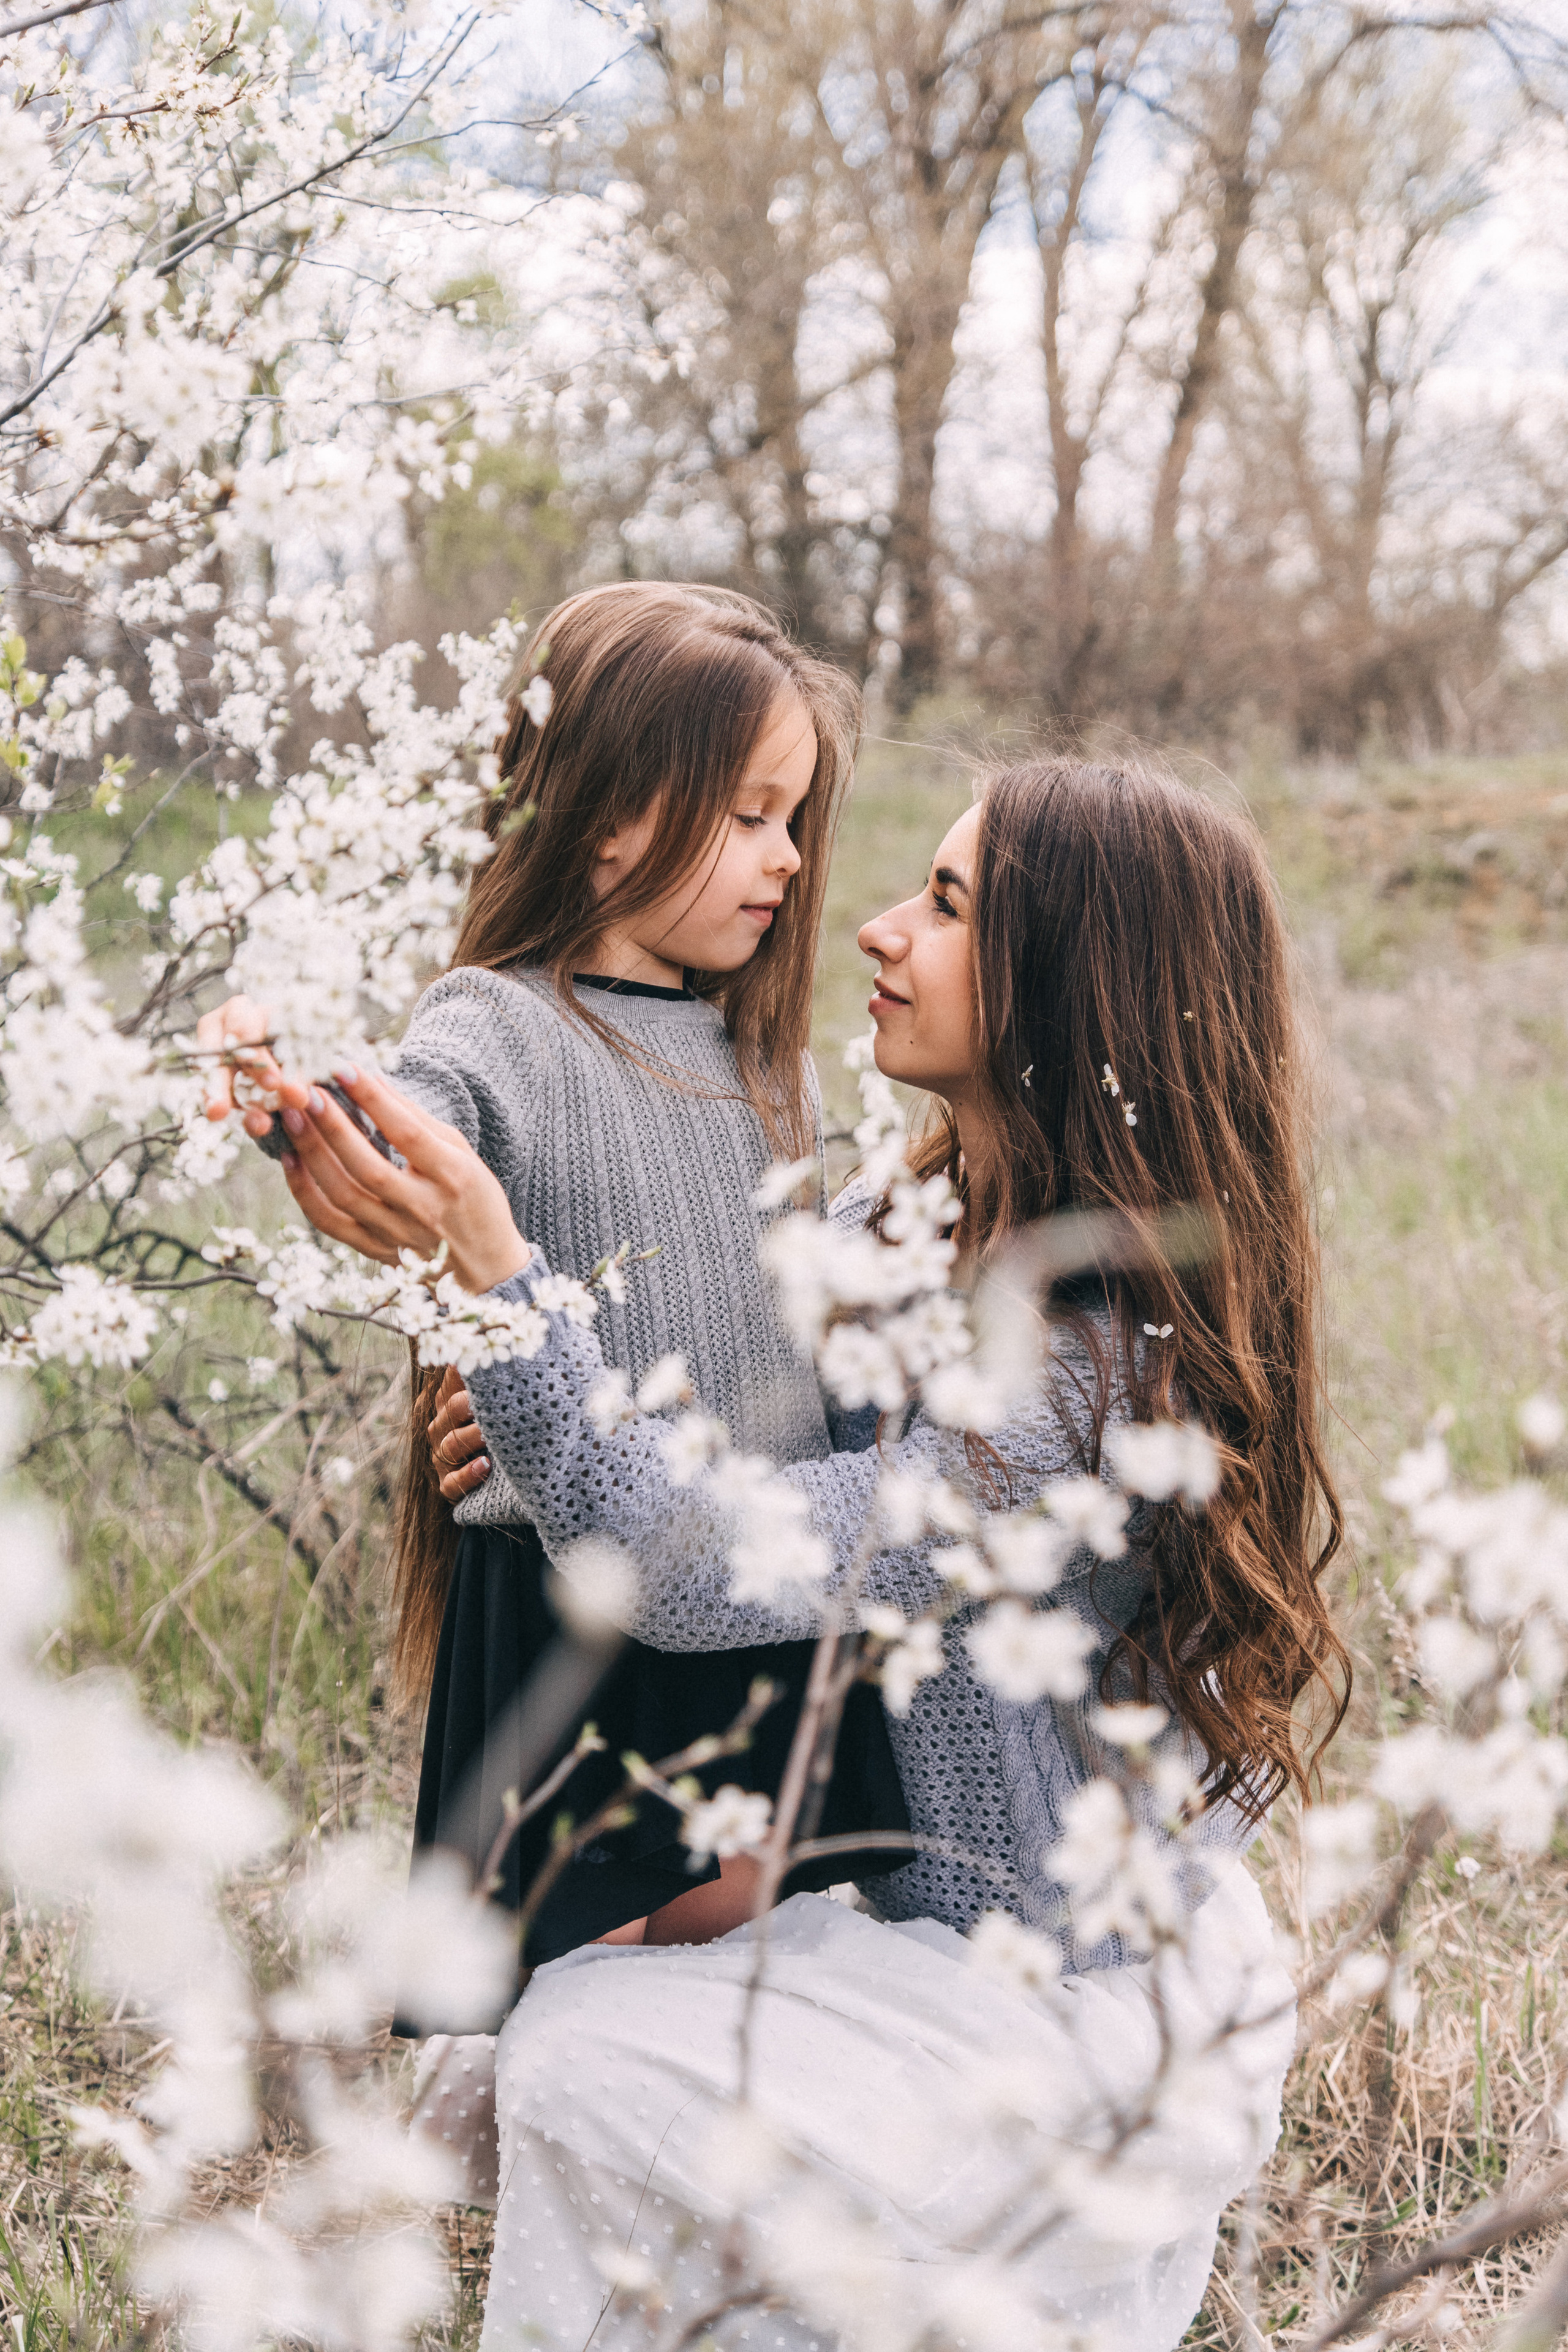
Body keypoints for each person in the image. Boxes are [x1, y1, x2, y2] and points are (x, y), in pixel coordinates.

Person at [257, 756, 1350, 2352]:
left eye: (951, 906)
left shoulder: (1102, 1380)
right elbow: (663, 1414)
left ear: (1072, 986)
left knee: (579, 2065)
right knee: (500, 2060)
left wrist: (502, 1292)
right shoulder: (888, 1238)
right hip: (842, 1879)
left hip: (1020, 1977)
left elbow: (709, 1554)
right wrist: (506, 1410)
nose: (879, 932)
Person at [195, 582, 908, 1969]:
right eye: (747, 816)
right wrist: (288, 1085)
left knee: (734, 1946)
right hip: (580, 1610)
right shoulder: (500, 1021)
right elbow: (408, 1125)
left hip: (748, 1584)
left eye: (793, 823)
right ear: (606, 814)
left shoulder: (770, 1070)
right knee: (571, 1972)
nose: (783, 861)